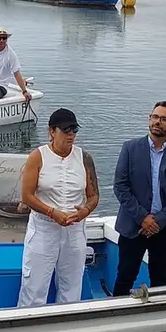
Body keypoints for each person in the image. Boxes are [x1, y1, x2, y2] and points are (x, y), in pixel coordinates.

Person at [16, 109, 99, 308]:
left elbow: (94, 196)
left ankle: (65, 330)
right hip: (44, 229)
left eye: (74, 130)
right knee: (34, 287)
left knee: (71, 287)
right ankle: (28, 330)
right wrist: (52, 213)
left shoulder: (84, 158)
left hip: (74, 229)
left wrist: (84, 212)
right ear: (52, 131)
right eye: (66, 130)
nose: (71, 134)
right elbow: (26, 196)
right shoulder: (38, 156)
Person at [112, 101, 166, 295]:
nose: (158, 122)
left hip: (164, 229)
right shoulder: (130, 149)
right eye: (155, 117)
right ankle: (116, 315)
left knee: (159, 279)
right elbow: (121, 187)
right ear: (149, 119)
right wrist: (143, 218)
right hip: (134, 226)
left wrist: (158, 221)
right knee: (125, 276)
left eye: (164, 119)